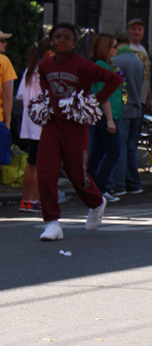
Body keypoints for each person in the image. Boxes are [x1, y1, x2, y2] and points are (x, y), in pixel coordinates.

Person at [35, 23, 122, 241]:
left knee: (77, 174)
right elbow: (44, 84)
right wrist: (47, 103)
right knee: (45, 172)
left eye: (66, 38)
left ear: (74, 43)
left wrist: (93, 101)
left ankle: (96, 202)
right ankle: (52, 223)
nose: (61, 41)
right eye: (57, 37)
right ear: (51, 40)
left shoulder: (83, 65)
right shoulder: (45, 65)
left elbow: (115, 79)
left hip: (75, 125)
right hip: (52, 125)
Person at [86, 33, 123, 202]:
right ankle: (100, 187)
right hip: (105, 116)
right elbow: (103, 95)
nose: (117, 49)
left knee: (98, 152)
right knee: (113, 152)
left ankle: (90, 185)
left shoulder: (104, 65)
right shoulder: (101, 66)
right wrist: (109, 119)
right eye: (114, 46)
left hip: (103, 115)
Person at [16, 37, 52, 213]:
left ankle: (25, 200)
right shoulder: (47, 70)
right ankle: (34, 200)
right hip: (43, 123)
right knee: (41, 163)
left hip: (29, 123)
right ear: (50, 53)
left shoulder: (29, 71)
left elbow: (21, 95)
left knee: (31, 161)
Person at [109, 32, 146, 196]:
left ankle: (118, 184)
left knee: (120, 147)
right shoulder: (138, 61)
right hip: (136, 107)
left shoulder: (115, 61)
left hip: (122, 108)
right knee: (131, 147)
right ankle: (133, 182)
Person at [126, 18, 152, 114]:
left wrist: (149, 98)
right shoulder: (126, 47)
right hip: (129, 99)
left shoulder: (143, 49)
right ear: (128, 30)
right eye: (133, 29)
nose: (136, 32)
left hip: (142, 99)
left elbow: (146, 76)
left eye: (139, 29)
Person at [0, 29, 16, 166]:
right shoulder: (4, 61)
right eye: (2, 40)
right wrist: (7, 120)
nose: (5, 43)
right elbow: (7, 94)